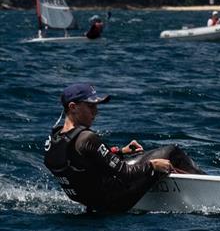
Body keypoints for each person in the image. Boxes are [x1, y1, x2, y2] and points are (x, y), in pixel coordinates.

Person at [43, 82, 206, 213]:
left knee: (134, 160)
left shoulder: (55, 139)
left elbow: (82, 163)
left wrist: (119, 152)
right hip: (115, 201)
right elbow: (124, 174)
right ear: (73, 107)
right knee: (171, 152)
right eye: (91, 106)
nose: (96, 112)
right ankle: (212, 183)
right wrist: (152, 166)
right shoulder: (86, 138)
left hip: (91, 201)